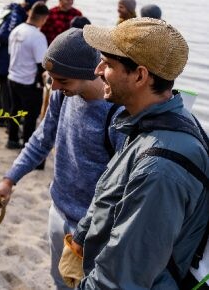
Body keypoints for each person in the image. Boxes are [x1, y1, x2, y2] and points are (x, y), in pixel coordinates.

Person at [68, 18, 209, 288]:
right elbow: (112, 194)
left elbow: (120, 280)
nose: (97, 70)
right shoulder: (151, 121)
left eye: (108, 64)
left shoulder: (161, 167)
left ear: (140, 76)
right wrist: (82, 236)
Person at [0, 28, 126, 289]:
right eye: (51, 79)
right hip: (59, 209)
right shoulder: (61, 96)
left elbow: (121, 186)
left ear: (93, 72)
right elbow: (42, 139)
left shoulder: (117, 115)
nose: (54, 87)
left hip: (94, 228)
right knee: (59, 282)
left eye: (62, 80)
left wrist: (88, 232)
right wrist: (9, 179)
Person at [0, 0, 43, 128]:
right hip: (4, 60)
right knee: (6, 92)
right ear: (29, 6)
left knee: (3, 90)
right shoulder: (16, 16)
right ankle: (6, 121)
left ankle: (1, 119)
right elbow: (4, 36)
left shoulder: (15, 11)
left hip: (4, 59)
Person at [6, 1, 49, 149]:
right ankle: (26, 143)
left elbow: (11, 53)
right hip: (28, 82)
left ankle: (12, 139)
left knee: (14, 110)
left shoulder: (16, 30)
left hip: (12, 76)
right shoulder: (38, 37)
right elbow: (41, 65)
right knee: (31, 115)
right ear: (43, 18)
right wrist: (43, 84)